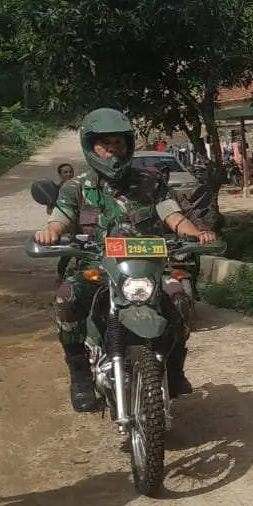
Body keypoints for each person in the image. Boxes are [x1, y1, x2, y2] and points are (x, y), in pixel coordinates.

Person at [34, 108, 216, 413]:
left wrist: (195, 233)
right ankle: (79, 376)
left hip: (148, 269)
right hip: (96, 269)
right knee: (66, 298)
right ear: (91, 147)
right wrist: (49, 232)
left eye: (118, 144)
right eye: (106, 145)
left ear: (128, 145)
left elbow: (171, 214)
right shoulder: (76, 188)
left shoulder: (151, 181)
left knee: (180, 297)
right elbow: (60, 220)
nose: (113, 151)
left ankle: (173, 367)